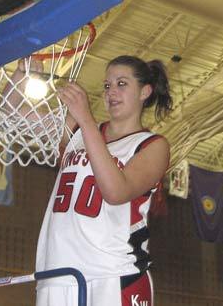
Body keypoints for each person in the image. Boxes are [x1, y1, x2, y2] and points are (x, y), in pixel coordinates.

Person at [34, 55, 173, 306]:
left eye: (121, 84)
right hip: (56, 272)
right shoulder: (77, 131)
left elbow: (116, 192)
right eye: (107, 85)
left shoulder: (152, 145)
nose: (111, 92)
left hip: (112, 275)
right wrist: (21, 73)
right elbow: (16, 119)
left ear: (145, 91)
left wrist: (86, 118)